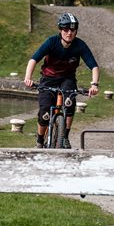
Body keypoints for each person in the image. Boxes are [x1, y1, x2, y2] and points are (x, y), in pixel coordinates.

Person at [24, 12, 100, 148]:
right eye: (65, 29)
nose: (69, 33)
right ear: (60, 30)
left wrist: (94, 84)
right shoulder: (51, 42)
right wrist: (28, 78)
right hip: (48, 79)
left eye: (72, 30)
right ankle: (40, 141)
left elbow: (93, 66)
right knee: (45, 112)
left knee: (69, 103)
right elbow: (33, 59)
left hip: (67, 79)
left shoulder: (80, 45)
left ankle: (64, 136)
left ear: (76, 31)